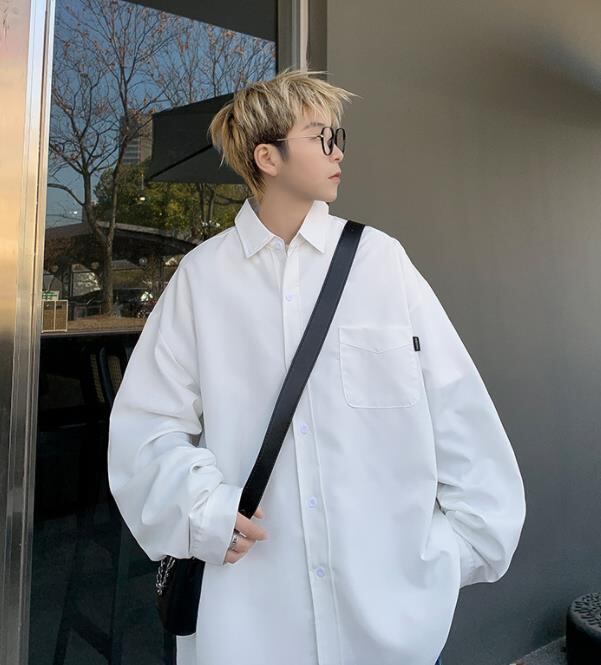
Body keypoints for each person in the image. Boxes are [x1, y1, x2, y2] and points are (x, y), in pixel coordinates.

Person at [107, 67, 526, 665]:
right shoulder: (203, 278)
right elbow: (146, 429)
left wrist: (443, 557)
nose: (338, 152)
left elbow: (457, 406)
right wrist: (204, 510)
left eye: (339, 137)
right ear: (267, 157)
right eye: (320, 137)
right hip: (251, 622)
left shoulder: (381, 261)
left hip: (388, 626)